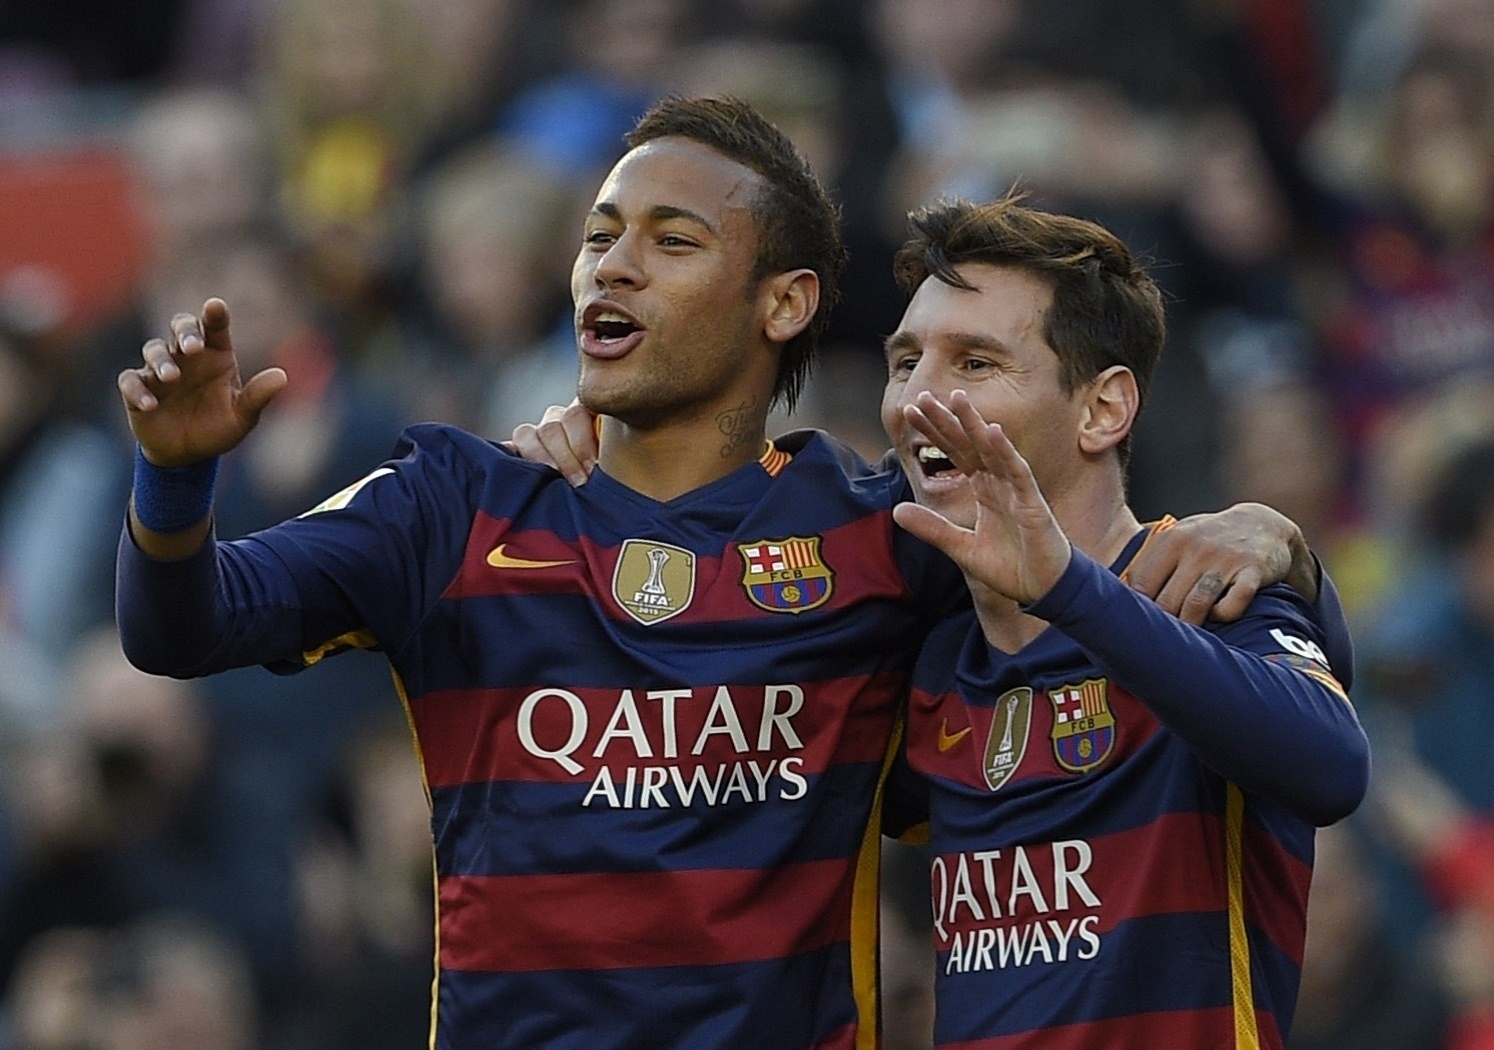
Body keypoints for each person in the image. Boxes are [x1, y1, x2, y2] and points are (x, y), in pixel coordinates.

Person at [116, 96, 1324, 1047]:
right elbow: (183, 627)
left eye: (671, 240)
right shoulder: (453, 504)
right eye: (598, 237)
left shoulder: (886, 545)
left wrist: (1278, 537)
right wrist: (174, 483)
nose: (612, 266)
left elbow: (1096, 603)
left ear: (785, 303)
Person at [877, 196, 1369, 1047]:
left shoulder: (1205, 588)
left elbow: (1332, 767)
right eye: (905, 361)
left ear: (1103, 409)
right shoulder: (931, 655)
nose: (920, 398)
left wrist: (1069, 588)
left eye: (976, 363)